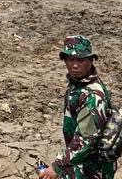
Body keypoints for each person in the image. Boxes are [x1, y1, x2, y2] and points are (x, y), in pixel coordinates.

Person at [39, 35, 116, 179]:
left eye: (80, 60)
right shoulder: (77, 84)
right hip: (81, 158)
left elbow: (86, 139)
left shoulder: (92, 96)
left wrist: (58, 166)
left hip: (93, 166)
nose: (75, 65)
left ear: (91, 61)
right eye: (70, 60)